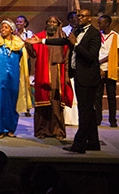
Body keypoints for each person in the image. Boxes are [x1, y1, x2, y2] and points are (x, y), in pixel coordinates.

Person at [29, 9, 102, 153]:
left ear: (90, 18)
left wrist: (75, 45)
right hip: (80, 76)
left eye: (82, 16)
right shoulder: (77, 30)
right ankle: (93, 142)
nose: (79, 18)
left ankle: (79, 144)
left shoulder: (94, 34)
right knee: (90, 112)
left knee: (85, 112)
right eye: (78, 15)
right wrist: (42, 41)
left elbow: (91, 56)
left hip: (88, 77)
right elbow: (63, 41)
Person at [0, 19, 33, 139]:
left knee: (12, 102)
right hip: (0, 77)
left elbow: (25, 59)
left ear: (12, 30)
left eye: (6, 27)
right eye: (1, 27)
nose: (3, 29)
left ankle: (11, 129)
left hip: (14, 78)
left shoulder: (19, 44)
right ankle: (1, 129)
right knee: (0, 101)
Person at [25, 16, 73, 140]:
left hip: (58, 75)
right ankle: (42, 130)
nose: (51, 24)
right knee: (42, 104)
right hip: (42, 75)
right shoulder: (39, 36)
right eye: (49, 22)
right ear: (46, 24)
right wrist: (28, 44)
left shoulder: (62, 38)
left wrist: (67, 75)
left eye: (54, 22)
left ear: (58, 24)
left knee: (56, 104)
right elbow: (33, 54)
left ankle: (58, 131)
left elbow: (67, 58)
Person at [96, 14, 119, 127]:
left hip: (110, 68)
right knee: (97, 95)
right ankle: (97, 118)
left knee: (111, 96)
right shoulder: (96, 35)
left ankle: (112, 119)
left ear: (107, 23)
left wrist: (101, 61)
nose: (99, 24)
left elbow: (115, 53)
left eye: (101, 22)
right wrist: (98, 64)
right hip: (98, 68)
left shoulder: (115, 36)